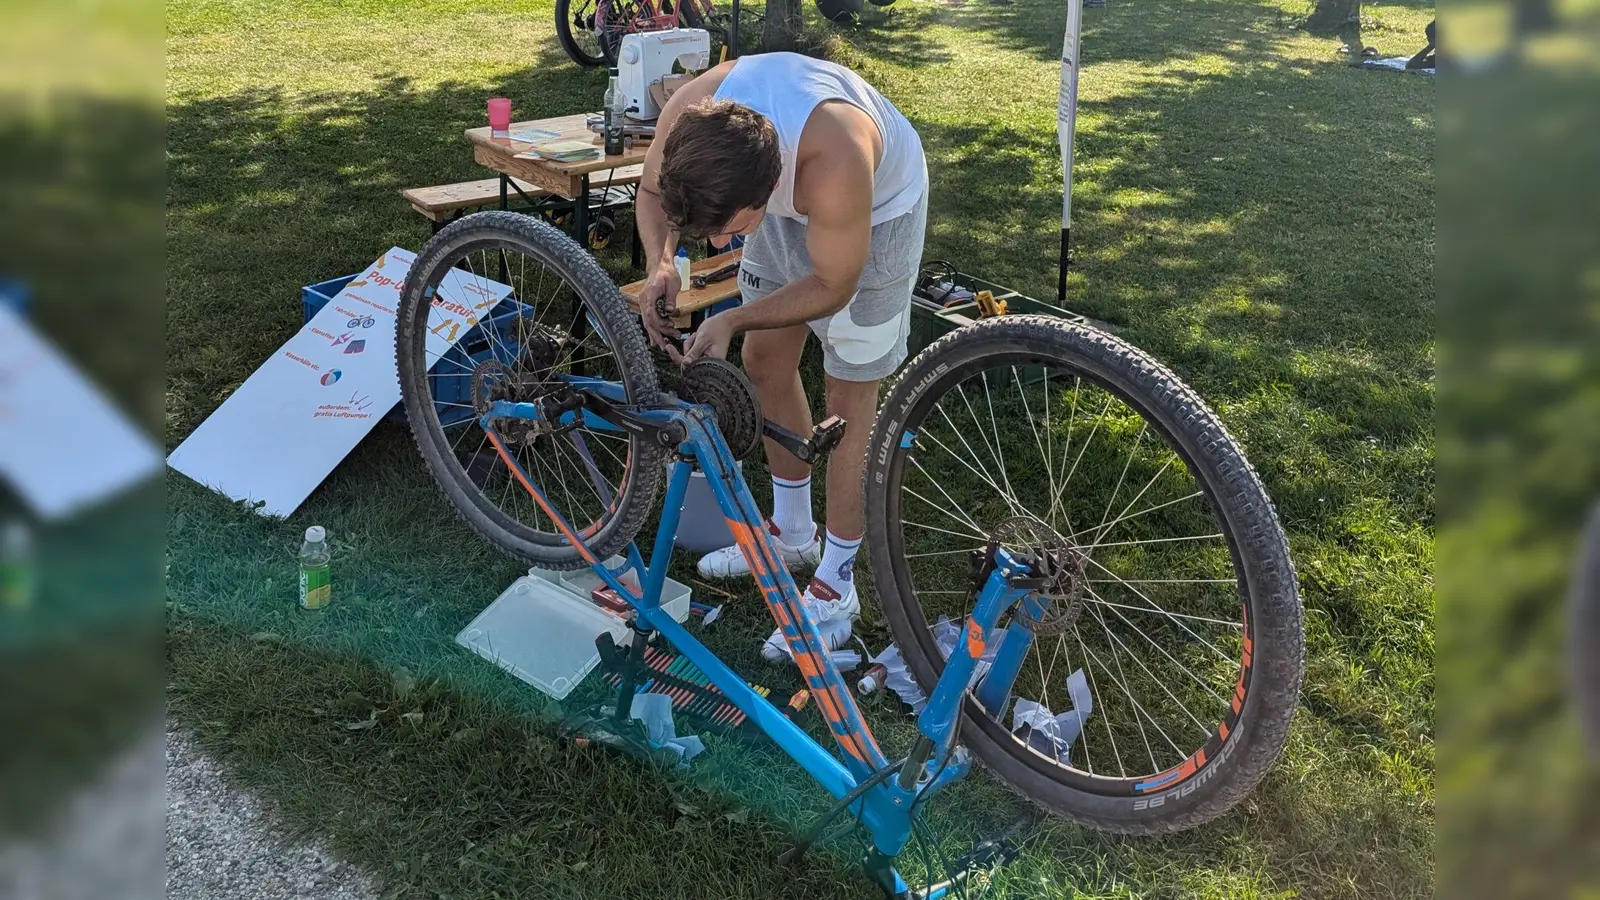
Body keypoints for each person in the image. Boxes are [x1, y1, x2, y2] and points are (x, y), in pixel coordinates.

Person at [633, 52, 928, 662]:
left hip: (875, 213)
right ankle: (793, 535)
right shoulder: (692, 110)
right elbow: (651, 191)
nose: (718, 244)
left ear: (761, 189)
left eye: (724, 230)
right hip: (781, 199)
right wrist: (660, 264)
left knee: (847, 402)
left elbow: (832, 284)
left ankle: (838, 583)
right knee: (766, 360)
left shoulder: (838, 154)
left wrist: (733, 315)